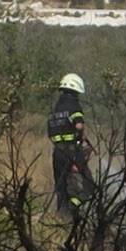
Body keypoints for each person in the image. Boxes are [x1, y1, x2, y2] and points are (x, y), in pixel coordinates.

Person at [47, 71, 91, 215]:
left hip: (57, 153)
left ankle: (62, 215)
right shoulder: (74, 105)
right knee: (88, 186)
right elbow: (79, 125)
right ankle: (74, 208)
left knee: (61, 187)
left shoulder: (55, 108)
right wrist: (82, 138)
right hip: (72, 151)